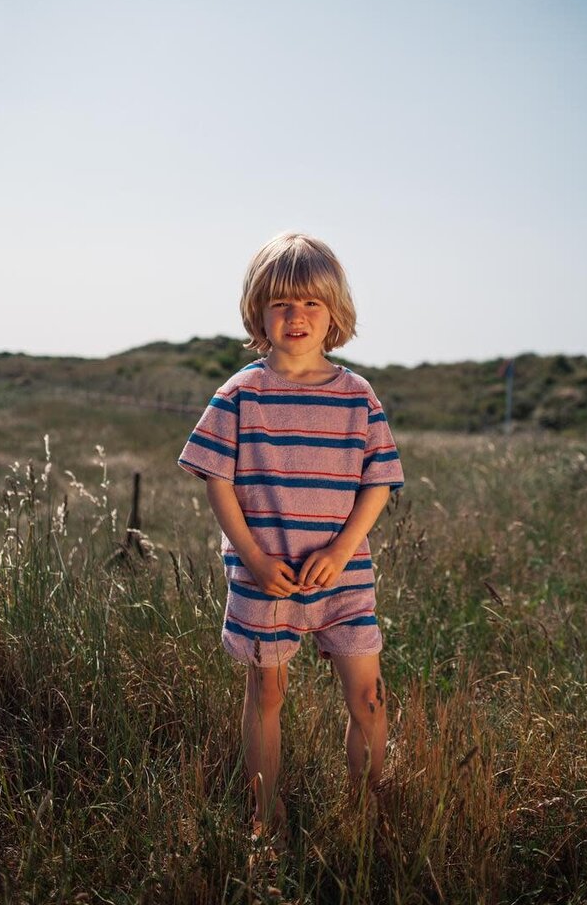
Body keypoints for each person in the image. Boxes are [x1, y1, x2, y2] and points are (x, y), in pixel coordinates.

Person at [177, 232, 404, 852]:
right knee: (267, 692)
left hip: (343, 577)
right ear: (259, 313)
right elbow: (217, 482)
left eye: (310, 303)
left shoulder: (358, 396)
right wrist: (252, 557)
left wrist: (339, 550)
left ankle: (366, 814)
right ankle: (265, 814)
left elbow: (378, 483)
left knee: (368, 697)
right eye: (280, 304)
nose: (295, 317)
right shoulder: (240, 393)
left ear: (334, 314)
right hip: (264, 575)